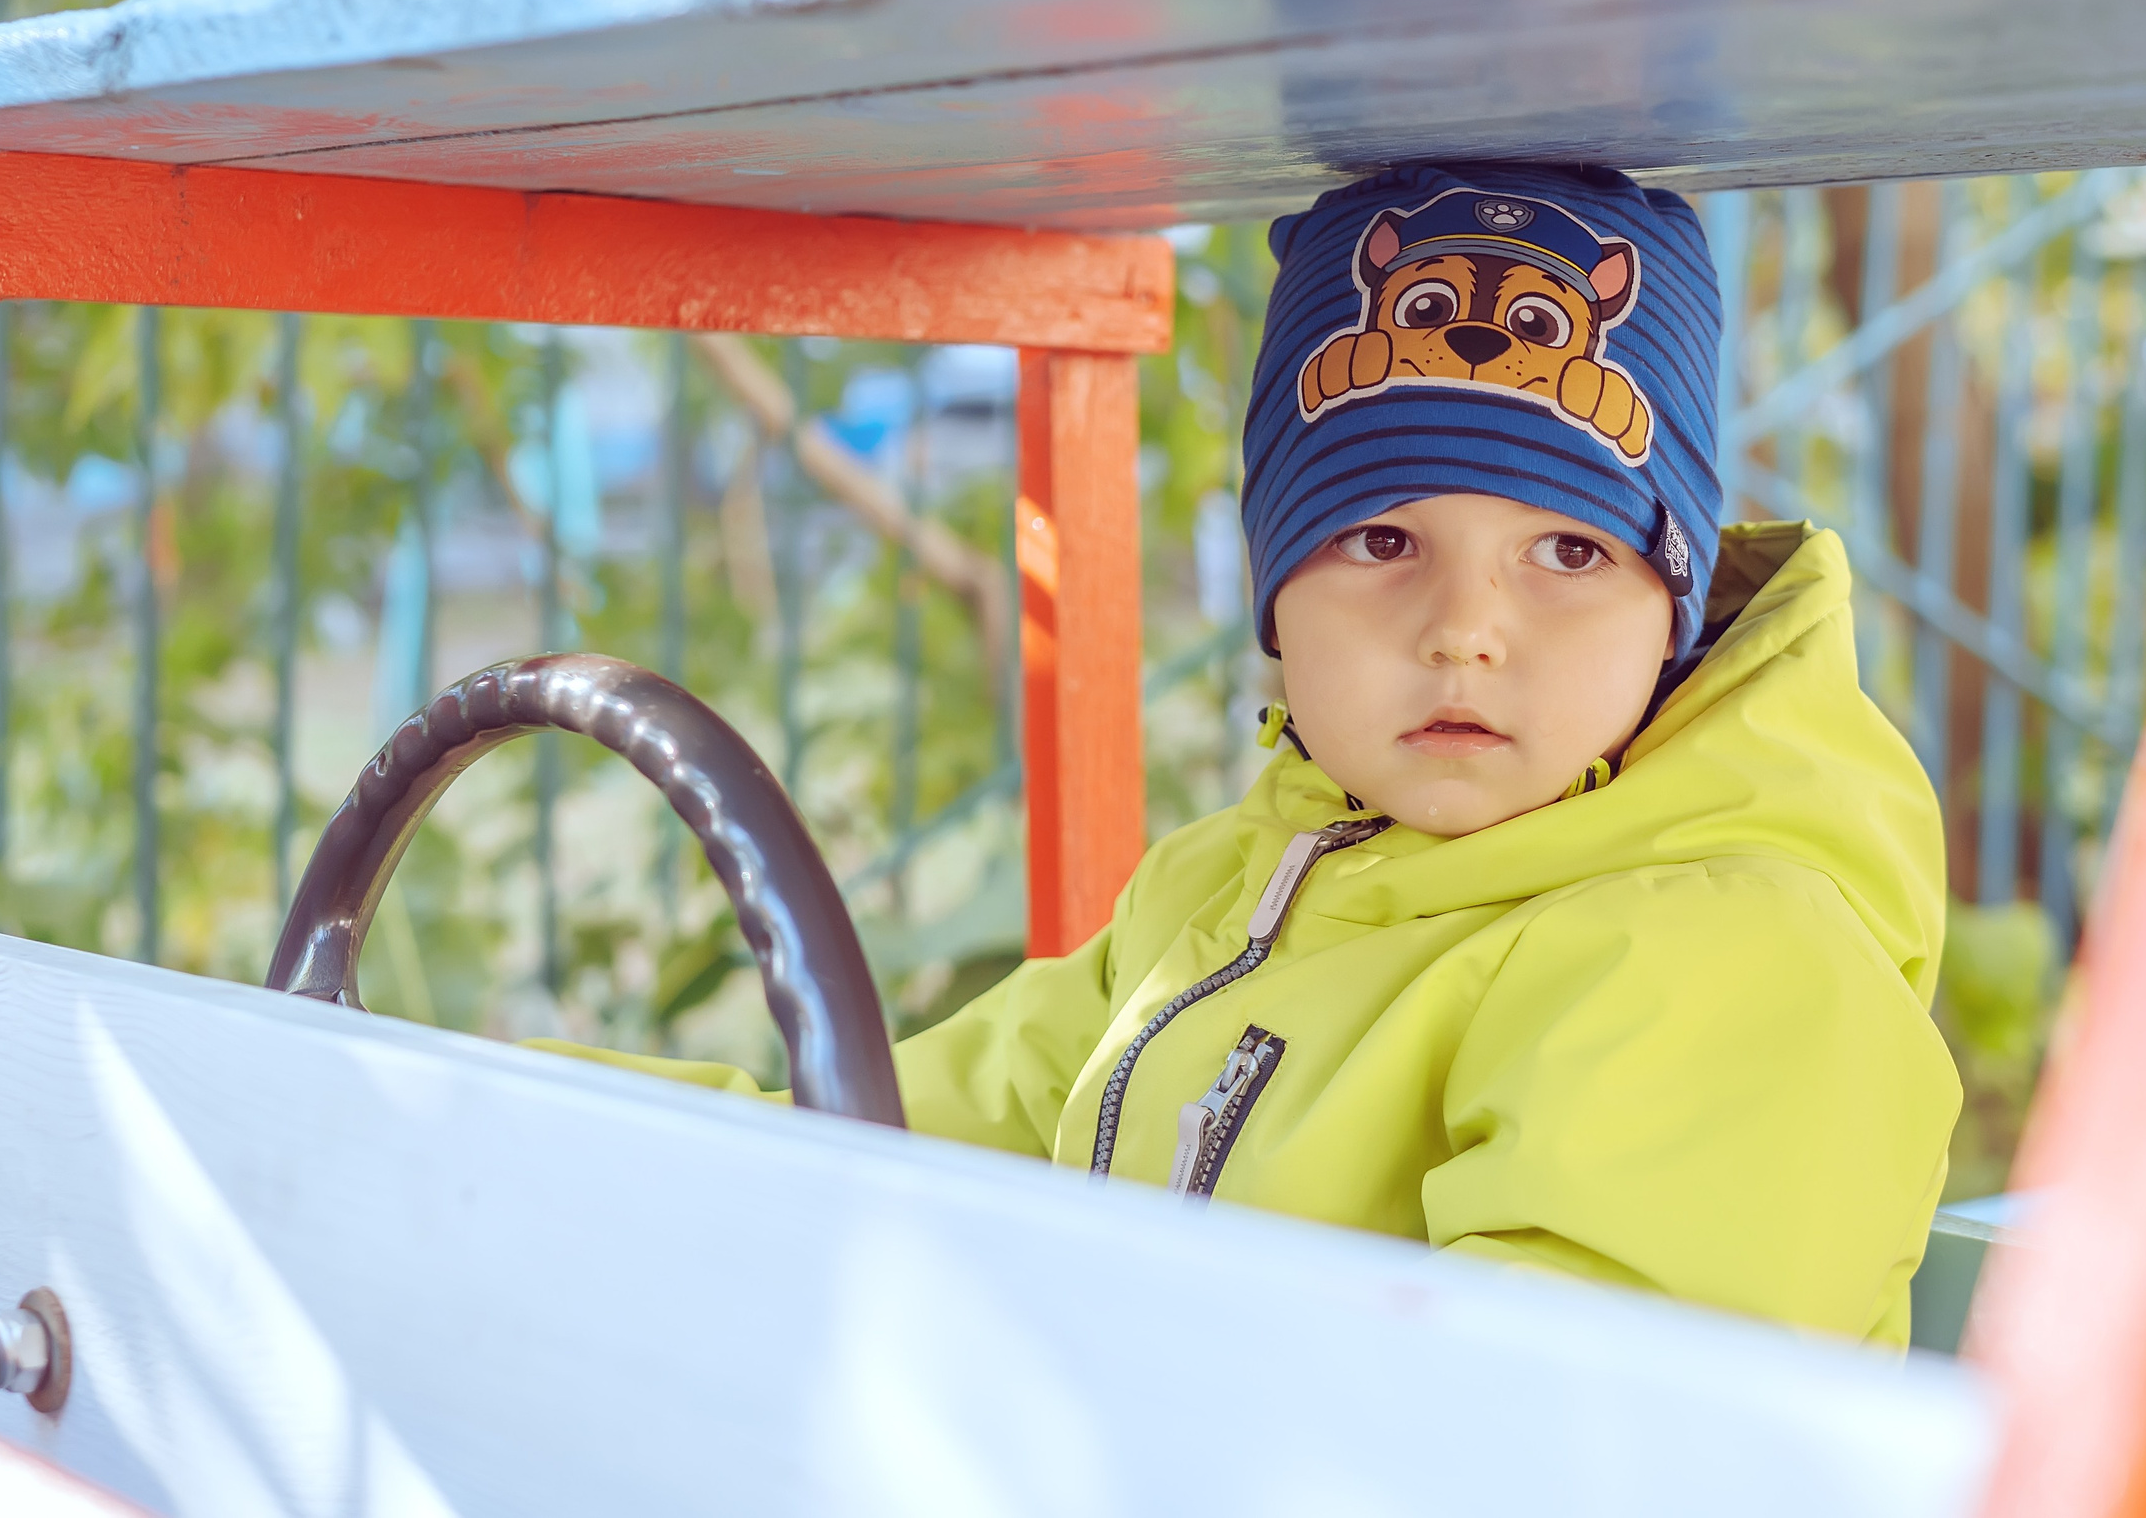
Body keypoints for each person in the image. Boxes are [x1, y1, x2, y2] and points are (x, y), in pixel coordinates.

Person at [534, 163, 1959, 1347]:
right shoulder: (1226, 898)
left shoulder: (1723, 961)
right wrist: (533, 1135)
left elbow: (1566, 1440)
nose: (1467, 630)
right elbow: (897, 1128)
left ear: (1675, 603)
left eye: (1570, 551)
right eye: (1381, 540)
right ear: (1277, 593)